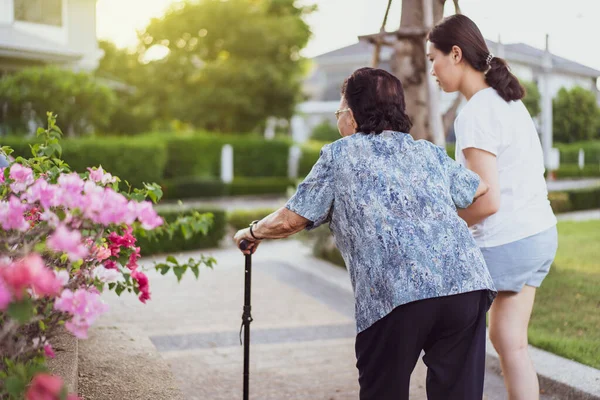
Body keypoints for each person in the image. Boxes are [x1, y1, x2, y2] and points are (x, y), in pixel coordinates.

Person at [234, 67, 497, 400]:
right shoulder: (427, 152)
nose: (338, 120)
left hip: (397, 294)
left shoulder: (340, 154)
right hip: (466, 283)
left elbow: (291, 220)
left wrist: (253, 231)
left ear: (354, 117)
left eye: (339, 111)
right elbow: (479, 187)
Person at [427, 14, 558, 400]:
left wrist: (441, 222)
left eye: (433, 58)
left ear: (455, 54)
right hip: (538, 235)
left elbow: (487, 201)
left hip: (506, 241)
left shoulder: (477, 113)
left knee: (449, 339)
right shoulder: (507, 102)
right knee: (510, 342)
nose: (431, 70)